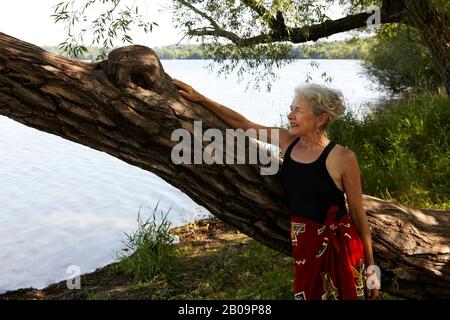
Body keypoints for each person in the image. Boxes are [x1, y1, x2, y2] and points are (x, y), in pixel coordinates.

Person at [171, 78, 380, 300]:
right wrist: (201, 98)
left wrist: (372, 269)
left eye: (298, 110)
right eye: (291, 109)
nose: (290, 115)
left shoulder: (343, 158)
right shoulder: (286, 140)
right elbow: (242, 124)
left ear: (321, 118)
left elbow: (358, 213)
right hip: (305, 246)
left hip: (344, 249)